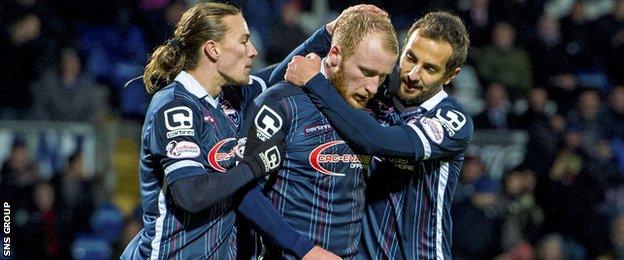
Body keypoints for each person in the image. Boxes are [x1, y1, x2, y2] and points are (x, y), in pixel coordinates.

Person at [120, 3, 338, 259]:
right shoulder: (176, 107)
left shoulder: (231, 97)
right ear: (212, 49)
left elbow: (278, 76)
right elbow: (191, 194)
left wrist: (326, 34)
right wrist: (255, 165)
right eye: (244, 41)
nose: (253, 51)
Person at [284, 11, 473, 259]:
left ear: (451, 75)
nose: (413, 75)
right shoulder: (375, 91)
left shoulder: (450, 120)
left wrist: (314, 82)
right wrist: (325, 33)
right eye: (410, 58)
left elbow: (377, 141)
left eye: (429, 68)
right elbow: (278, 76)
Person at [242, 9, 398, 259]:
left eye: (382, 76)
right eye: (366, 72)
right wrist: (304, 250)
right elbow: (245, 191)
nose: (372, 87)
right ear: (335, 54)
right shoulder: (283, 102)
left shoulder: (376, 109)